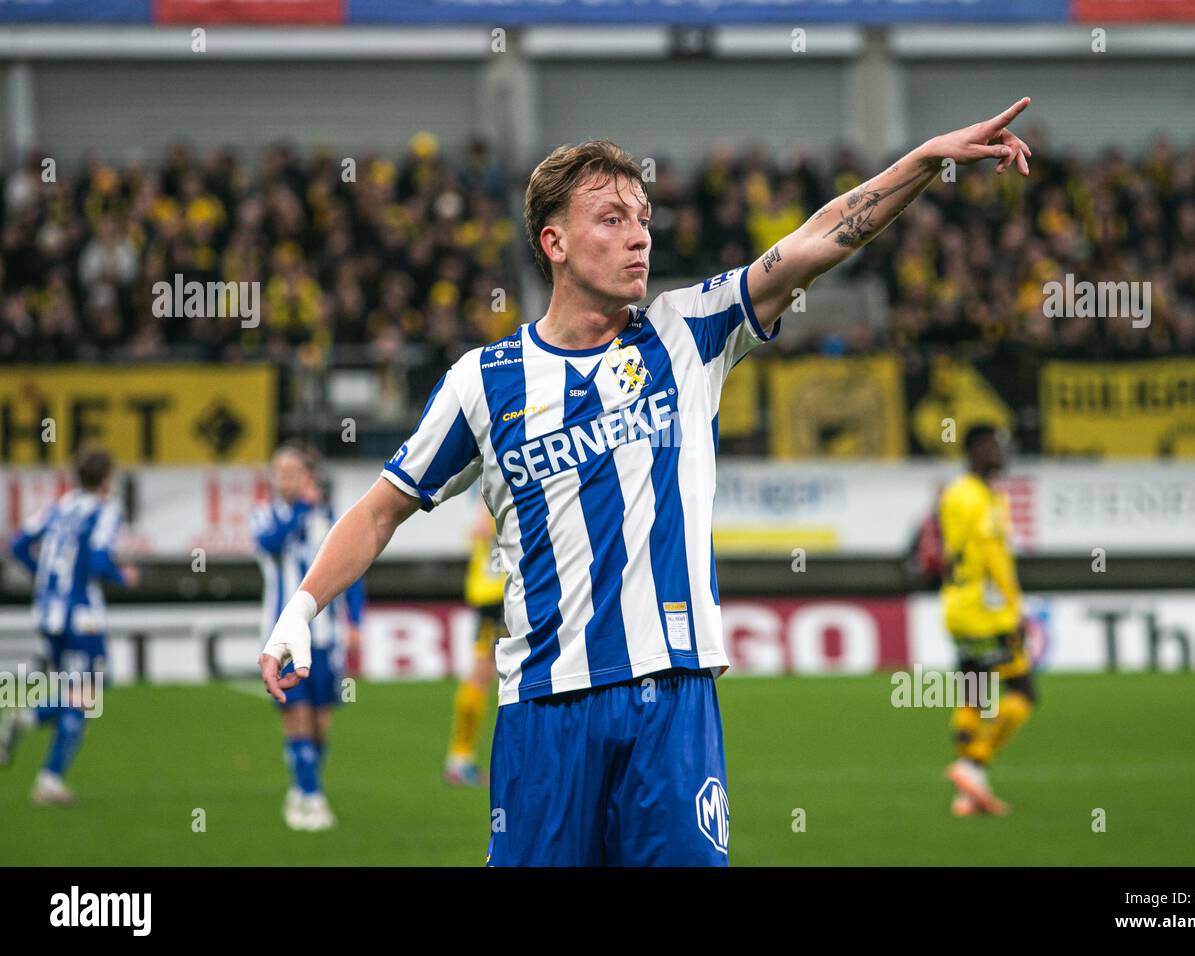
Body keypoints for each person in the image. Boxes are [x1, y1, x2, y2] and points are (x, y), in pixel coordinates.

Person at [260, 101, 1033, 864]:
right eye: (611, 219)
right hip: (544, 709)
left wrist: (924, 163)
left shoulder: (688, 332)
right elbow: (382, 508)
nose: (638, 237)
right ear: (553, 241)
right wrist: (301, 608)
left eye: (643, 218)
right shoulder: (483, 383)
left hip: (673, 705)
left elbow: (815, 242)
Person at [0, 448, 139, 805]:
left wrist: (45, 578)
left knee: (75, 689)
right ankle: (48, 780)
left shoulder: (60, 506)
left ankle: (26, 718)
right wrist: (122, 575)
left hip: (47, 612)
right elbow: (96, 559)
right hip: (82, 619)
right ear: (107, 478)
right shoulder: (104, 511)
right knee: (84, 696)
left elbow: (17, 545)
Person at [252, 441, 366, 831]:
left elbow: (352, 569)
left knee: (320, 724)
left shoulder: (329, 519)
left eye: (291, 473)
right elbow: (270, 544)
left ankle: (302, 788)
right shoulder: (266, 516)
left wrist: (355, 622)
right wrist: (302, 507)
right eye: (278, 473)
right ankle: (313, 797)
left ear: (308, 477)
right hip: (282, 639)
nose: (282, 480)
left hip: (326, 636)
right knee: (296, 717)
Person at [939, 424, 1035, 816]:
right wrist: (1015, 610)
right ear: (977, 450)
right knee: (1023, 693)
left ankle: (969, 793)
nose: (1002, 452)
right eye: (996, 445)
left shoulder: (954, 493)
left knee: (973, 694)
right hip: (987, 614)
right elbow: (993, 558)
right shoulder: (982, 498)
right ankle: (972, 763)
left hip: (958, 608)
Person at [443, 498, 508, 787]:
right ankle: (460, 758)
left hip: (501, 597)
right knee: (482, 673)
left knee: (495, 674)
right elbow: (481, 529)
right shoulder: (493, 499)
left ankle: (463, 758)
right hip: (495, 600)